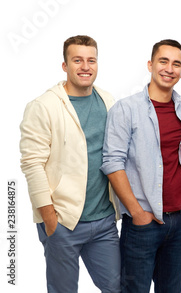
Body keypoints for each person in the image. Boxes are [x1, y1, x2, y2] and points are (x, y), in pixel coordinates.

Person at [19, 35, 120, 293]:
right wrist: (50, 220)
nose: (85, 66)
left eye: (91, 60)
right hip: (63, 221)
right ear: (65, 65)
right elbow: (32, 165)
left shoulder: (108, 101)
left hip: (104, 220)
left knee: (117, 286)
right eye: (77, 60)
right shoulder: (43, 106)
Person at [100, 39, 181, 293]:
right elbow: (111, 162)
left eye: (176, 64)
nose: (169, 69)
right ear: (150, 64)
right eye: (163, 61)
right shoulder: (126, 109)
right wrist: (137, 213)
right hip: (143, 224)